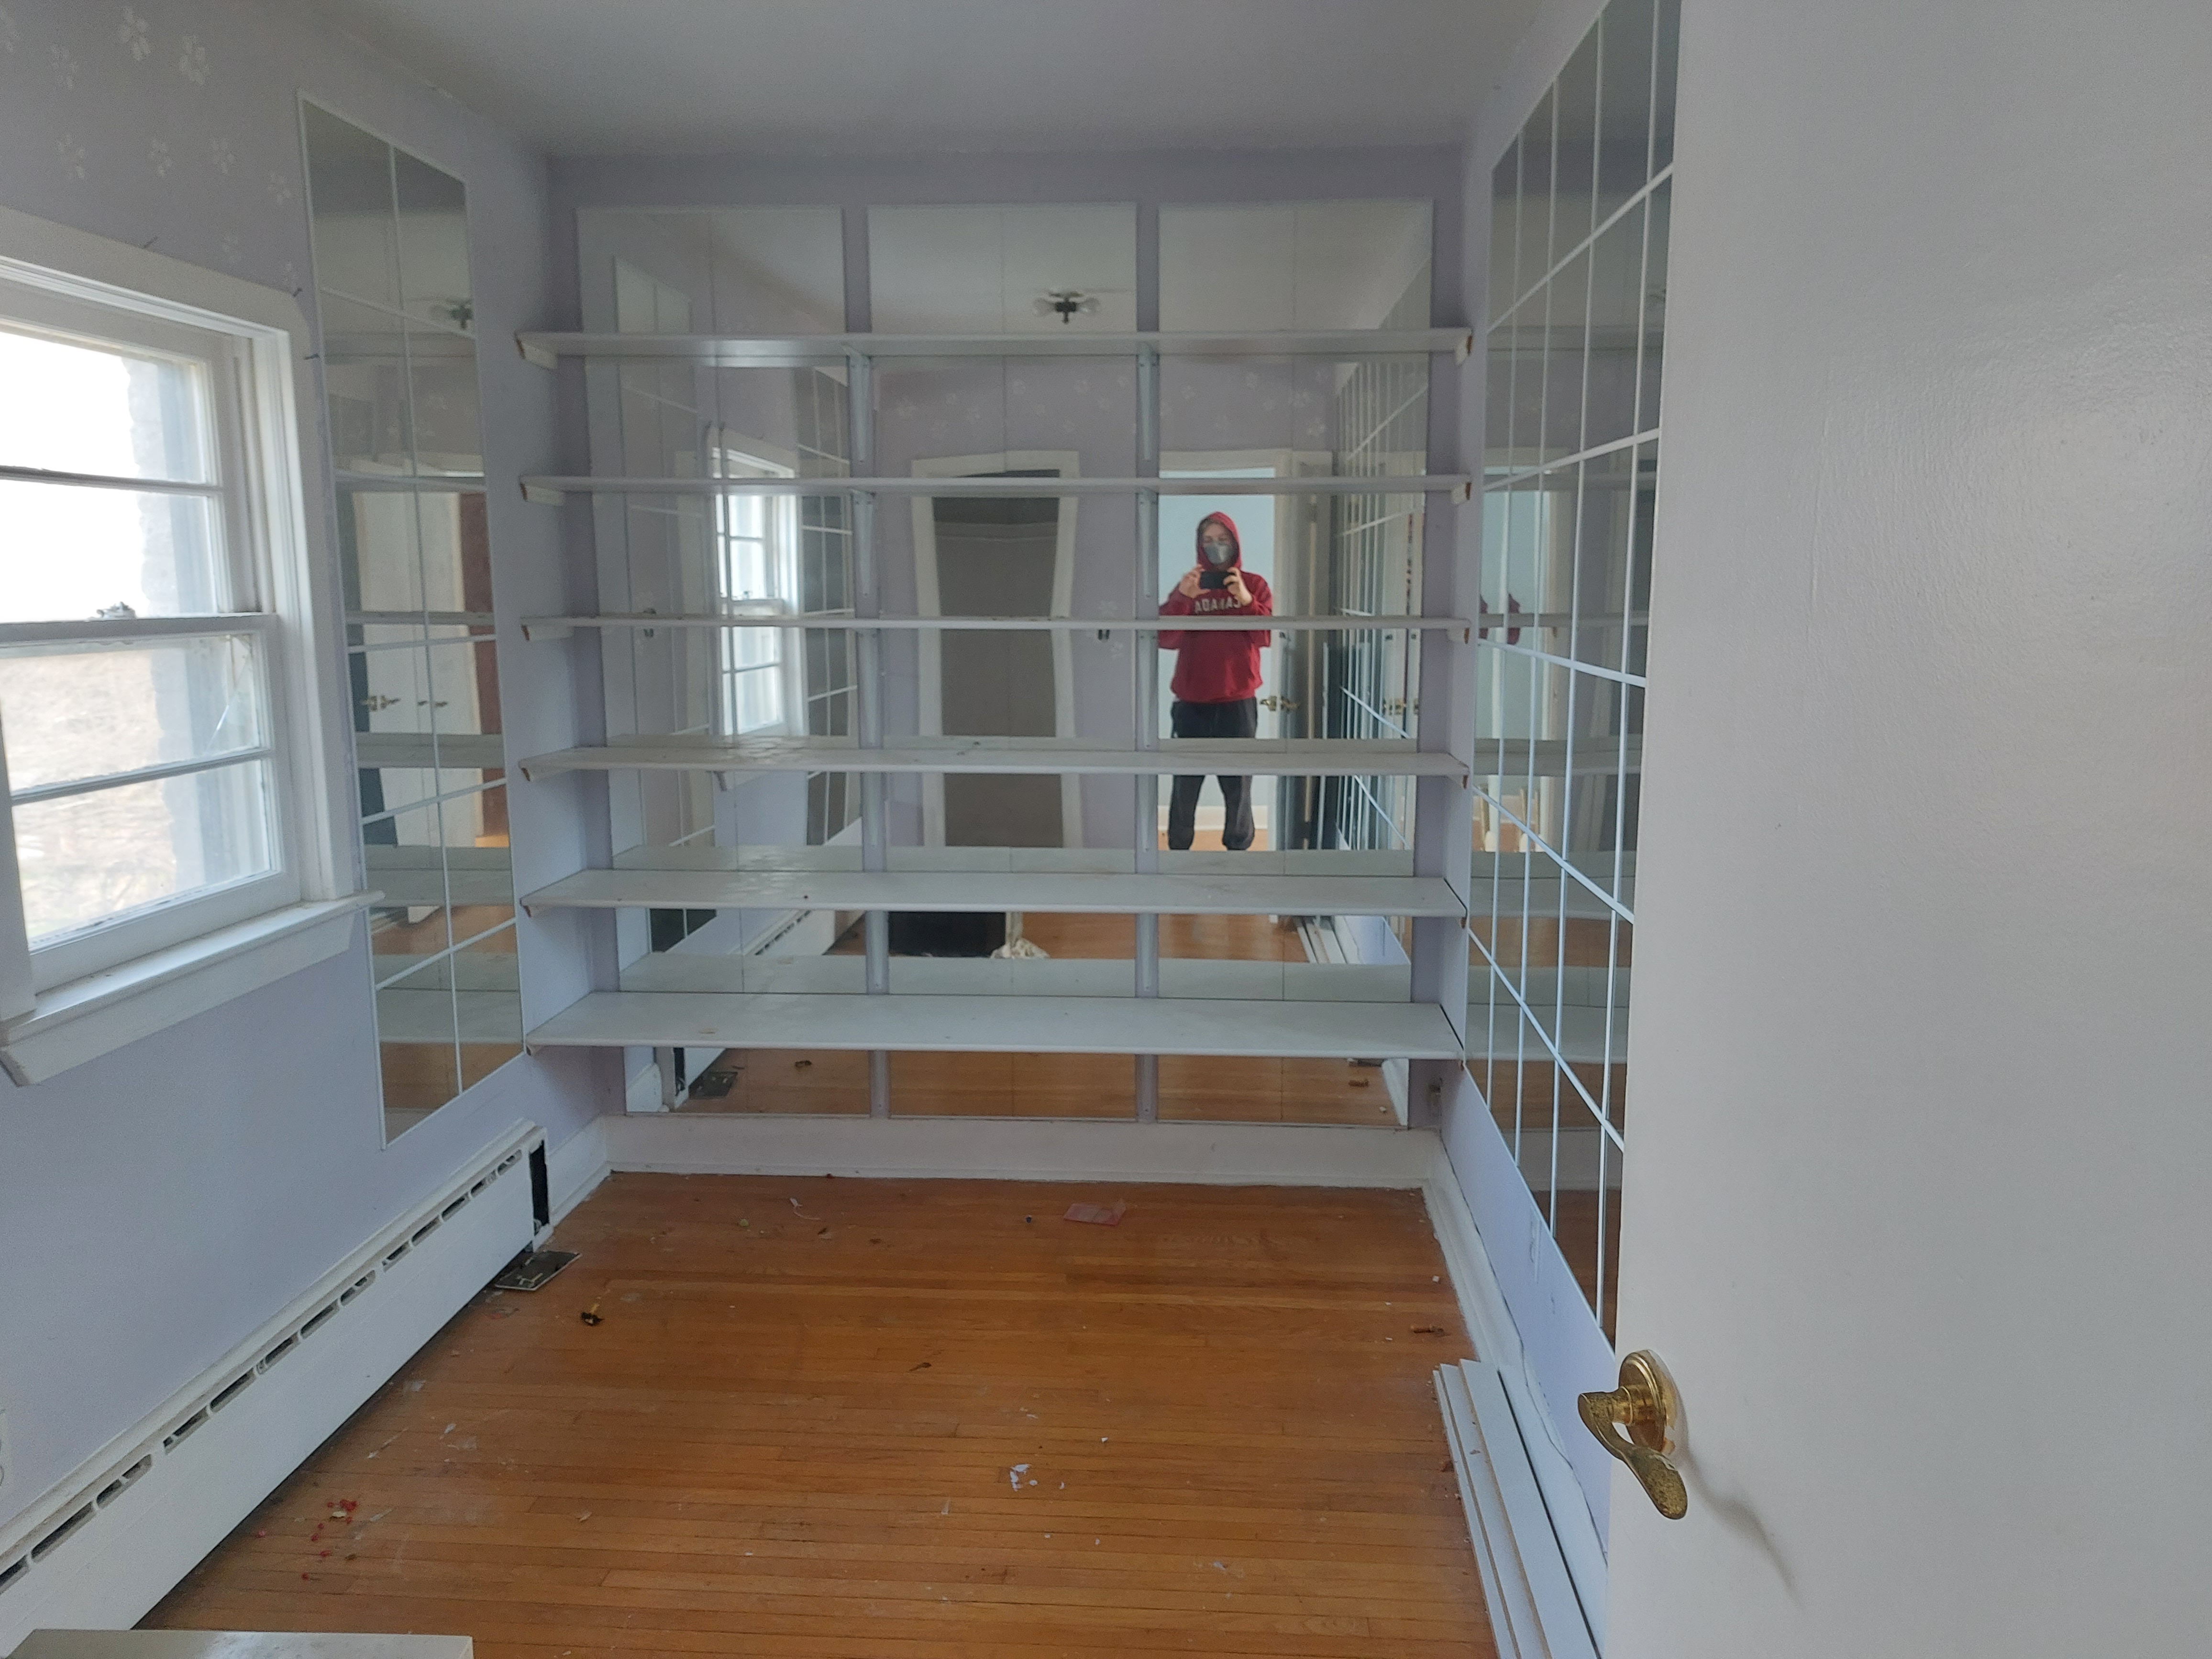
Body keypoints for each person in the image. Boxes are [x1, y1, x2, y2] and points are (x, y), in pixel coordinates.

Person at [1158, 510, 1274, 852]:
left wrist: (1246, 601)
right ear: (1199, 545)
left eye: (1223, 540)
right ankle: (1178, 852)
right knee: (1185, 786)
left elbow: (1265, 637)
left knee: (1238, 786)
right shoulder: (1190, 585)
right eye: (1208, 540)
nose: (1216, 546)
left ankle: (1238, 852)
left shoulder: (1254, 585)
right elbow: (1165, 639)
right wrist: (1183, 598)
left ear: (1235, 543)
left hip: (1238, 702)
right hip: (1191, 703)